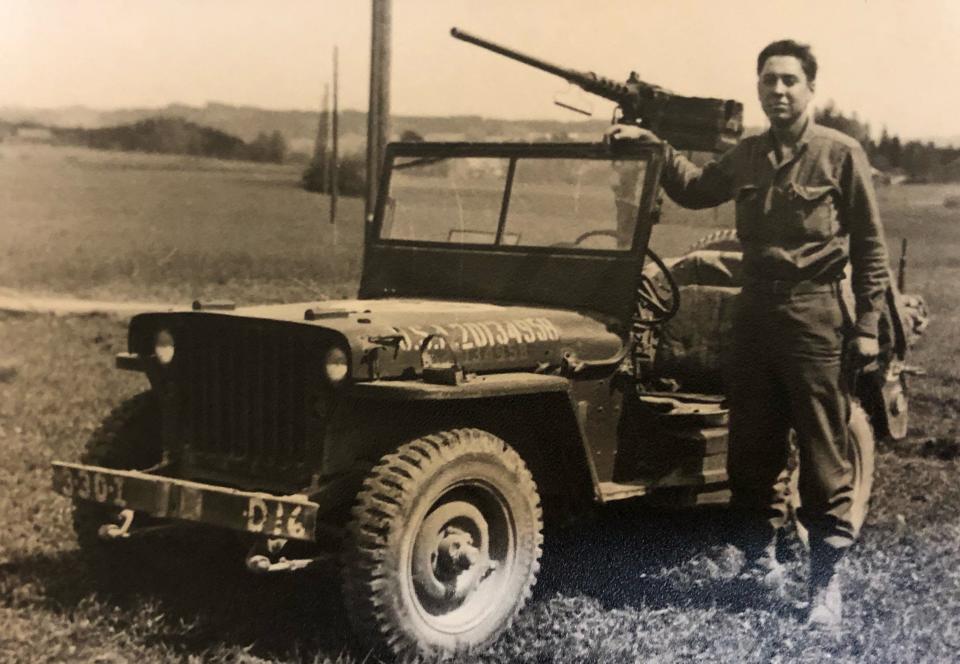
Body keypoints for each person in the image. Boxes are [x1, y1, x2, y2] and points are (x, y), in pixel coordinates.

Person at [607, 39, 889, 629]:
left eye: (789, 80)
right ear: (758, 88)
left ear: (810, 87)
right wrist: (653, 146)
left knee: (823, 454)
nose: (778, 91)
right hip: (755, 314)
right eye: (768, 81)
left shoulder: (841, 154)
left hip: (815, 318)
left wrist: (866, 328)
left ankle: (824, 582)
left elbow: (869, 249)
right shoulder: (748, 154)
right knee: (751, 451)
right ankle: (760, 562)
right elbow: (693, 188)